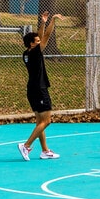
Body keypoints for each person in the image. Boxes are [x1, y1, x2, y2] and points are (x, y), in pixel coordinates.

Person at [17, 11, 64, 161]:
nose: (39, 42)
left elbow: (40, 36)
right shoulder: (35, 52)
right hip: (39, 89)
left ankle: (45, 151)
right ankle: (26, 146)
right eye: (37, 41)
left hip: (32, 89)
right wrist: (53, 21)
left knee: (40, 122)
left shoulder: (27, 53)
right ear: (32, 44)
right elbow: (46, 36)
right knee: (47, 121)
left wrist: (43, 22)